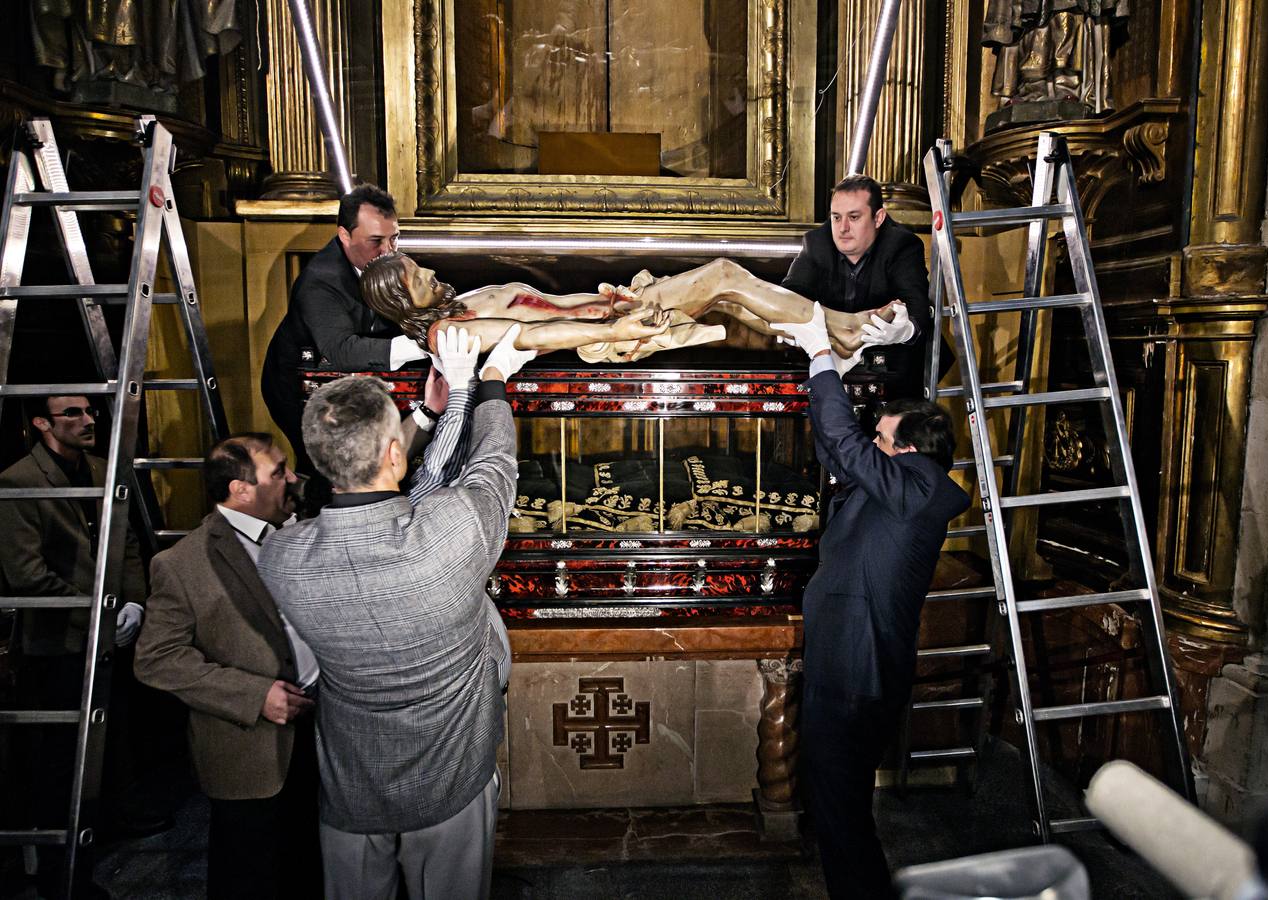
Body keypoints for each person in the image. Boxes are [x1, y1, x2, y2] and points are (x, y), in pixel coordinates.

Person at [256, 325, 534, 900]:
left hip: (352, 785)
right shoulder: (451, 530)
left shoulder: (281, 558)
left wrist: (434, 411)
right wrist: (488, 383)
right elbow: (493, 464)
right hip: (451, 778)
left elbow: (393, 492)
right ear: (392, 452)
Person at [771, 305, 971, 899]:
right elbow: (839, 451)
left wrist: (821, 359)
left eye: (882, 438)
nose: (872, 443)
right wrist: (829, 375)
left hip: (858, 675)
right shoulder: (898, 485)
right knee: (836, 805)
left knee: (842, 813)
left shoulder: (920, 489)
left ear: (908, 452)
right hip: (847, 667)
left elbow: (847, 444)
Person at [133, 432, 323, 900]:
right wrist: (255, 695)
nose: (293, 478)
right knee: (250, 877)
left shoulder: (303, 530)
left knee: (311, 870)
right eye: (278, 472)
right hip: (249, 754)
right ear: (240, 490)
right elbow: (157, 659)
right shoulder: (181, 564)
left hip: (322, 736)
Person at [0, 395, 156, 896]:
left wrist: (133, 601)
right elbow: (27, 577)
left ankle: (110, 825)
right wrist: (102, 614)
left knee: (114, 739)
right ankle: (57, 875)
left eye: (90, 411)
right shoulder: (19, 481)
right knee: (56, 766)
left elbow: (127, 542)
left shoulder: (100, 469)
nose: (88, 420)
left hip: (109, 631)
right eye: (73, 413)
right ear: (42, 423)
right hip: (59, 642)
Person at [358, 251, 904, 364]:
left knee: (724, 290)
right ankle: (844, 330)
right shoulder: (449, 334)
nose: (428, 272)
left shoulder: (457, 303)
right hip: (599, 339)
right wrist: (618, 326)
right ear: (402, 301)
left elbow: (547, 304)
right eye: (416, 277)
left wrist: (605, 297)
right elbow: (535, 337)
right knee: (721, 276)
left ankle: (841, 333)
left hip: (603, 317)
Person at [261, 184, 427, 476]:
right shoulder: (319, 281)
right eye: (376, 240)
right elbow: (342, 349)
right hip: (296, 388)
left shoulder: (382, 259)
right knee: (328, 472)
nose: (388, 250)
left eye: (394, 238)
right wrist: (424, 345)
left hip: (350, 384)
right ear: (344, 235)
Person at [782, 174, 934, 397]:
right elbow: (793, 293)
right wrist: (788, 319)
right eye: (836, 217)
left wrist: (906, 330)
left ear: (878, 217)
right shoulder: (816, 243)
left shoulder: (902, 244)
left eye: (853, 217)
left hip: (895, 376)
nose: (842, 228)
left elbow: (917, 306)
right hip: (833, 370)